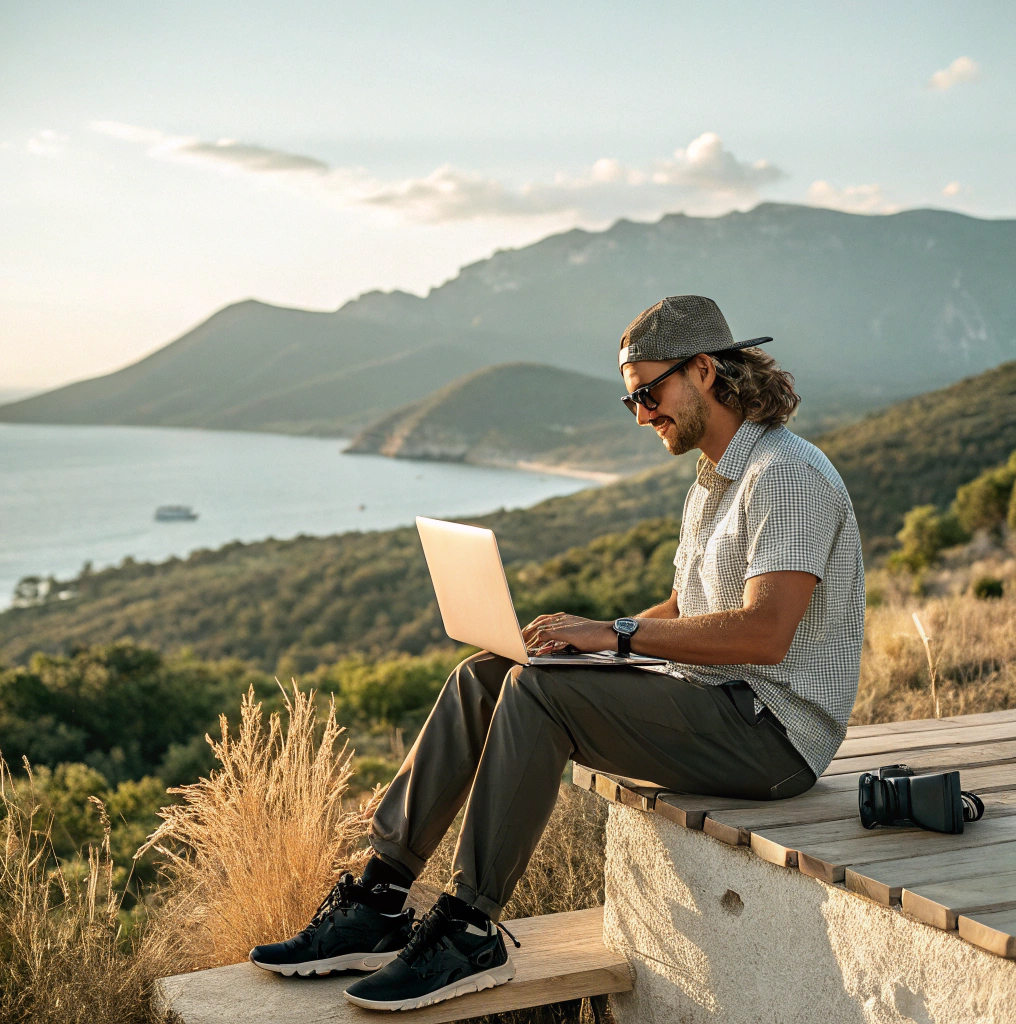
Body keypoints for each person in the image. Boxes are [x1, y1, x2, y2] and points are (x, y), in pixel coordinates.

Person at [249, 294, 865, 1012]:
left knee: (538, 695)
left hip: (773, 737)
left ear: (704, 370)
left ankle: (468, 928)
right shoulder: (714, 480)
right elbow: (688, 608)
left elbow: (765, 632)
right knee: (490, 675)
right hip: (711, 703)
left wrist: (617, 636)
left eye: (649, 392)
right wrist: (585, 640)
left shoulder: (785, 473)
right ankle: (378, 898)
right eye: (631, 399)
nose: (642, 415)